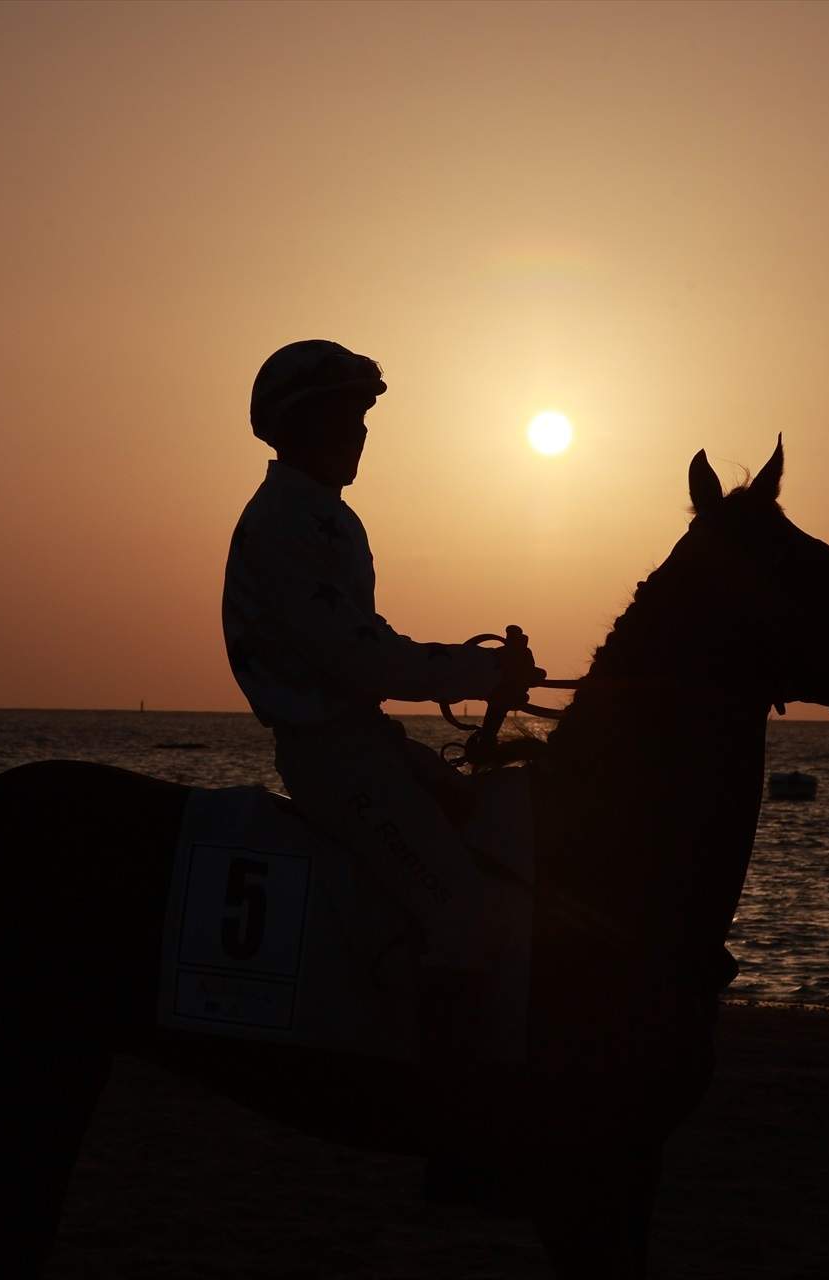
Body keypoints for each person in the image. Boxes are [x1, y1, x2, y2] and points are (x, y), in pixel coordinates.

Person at [221, 339, 540, 1063]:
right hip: (337, 763)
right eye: (351, 414)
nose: (364, 430)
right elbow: (360, 657)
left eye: (365, 414)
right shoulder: (289, 521)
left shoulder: (322, 516)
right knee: (464, 909)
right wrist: (483, 673)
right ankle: (446, 1096)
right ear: (307, 424)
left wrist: (478, 669)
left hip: (364, 746)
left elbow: (364, 641)